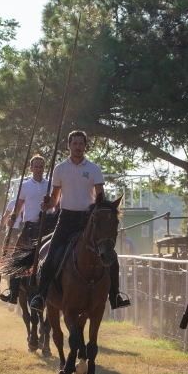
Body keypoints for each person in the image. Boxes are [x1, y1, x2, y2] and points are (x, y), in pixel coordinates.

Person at [29, 131, 130, 312]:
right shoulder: (60, 169)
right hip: (66, 219)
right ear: (69, 146)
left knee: (111, 256)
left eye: (81, 144)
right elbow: (55, 198)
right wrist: (47, 205)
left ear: (85, 146)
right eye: (74, 143)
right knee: (50, 255)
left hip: (88, 220)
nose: (77, 147)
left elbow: (100, 197)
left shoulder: (93, 169)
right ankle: (40, 296)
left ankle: (115, 295)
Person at [0, 155, 48, 304]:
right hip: (29, 227)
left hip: (47, 227)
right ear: (31, 168)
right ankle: (13, 293)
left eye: (41, 167)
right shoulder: (25, 186)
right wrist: (13, 217)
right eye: (36, 167)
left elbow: (57, 205)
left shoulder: (51, 185)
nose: (38, 169)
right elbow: (19, 206)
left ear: (44, 168)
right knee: (16, 259)